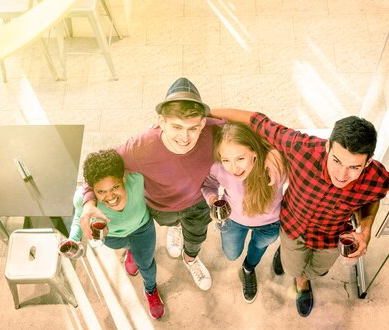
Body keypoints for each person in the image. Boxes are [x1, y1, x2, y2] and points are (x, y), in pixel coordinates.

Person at [79, 78, 283, 292]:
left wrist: (270, 149)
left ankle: (191, 259)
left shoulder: (213, 131)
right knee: (170, 223)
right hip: (161, 206)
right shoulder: (140, 146)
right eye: (176, 126)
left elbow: (257, 124)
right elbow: (99, 169)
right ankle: (174, 229)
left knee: (196, 238)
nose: (185, 137)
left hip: (198, 204)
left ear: (203, 123)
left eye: (193, 127)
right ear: (161, 121)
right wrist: (87, 202)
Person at [210, 108, 389, 317]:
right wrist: (205, 111)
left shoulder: (377, 177)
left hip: (330, 236)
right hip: (293, 226)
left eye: (354, 167)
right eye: (336, 160)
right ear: (327, 146)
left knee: (319, 271)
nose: (342, 175)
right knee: (293, 269)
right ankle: (300, 281)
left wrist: (366, 230)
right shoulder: (302, 148)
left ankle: (305, 277)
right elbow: (257, 121)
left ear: (368, 162)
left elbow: (373, 198)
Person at [66, 149, 165, 319]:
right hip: (113, 238)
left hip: (142, 229)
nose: (110, 196)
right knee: (128, 247)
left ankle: (150, 289)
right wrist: (73, 239)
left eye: (115, 187)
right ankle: (131, 252)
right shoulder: (84, 199)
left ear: (124, 178)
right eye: (101, 192)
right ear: (93, 190)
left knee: (146, 264)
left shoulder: (137, 179)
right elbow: (78, 218)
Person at [201, 122, 286, 303]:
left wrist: (274, 152)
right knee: (231, 254)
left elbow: (290, 142)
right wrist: (212, 200)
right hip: (234, 221)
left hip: (269, 225)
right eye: (226, 160)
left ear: (254, 152)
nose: (234, 168)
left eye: (240, 158)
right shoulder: (218, 169)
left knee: (258, 249)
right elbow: (208, 185)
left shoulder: (275, 167)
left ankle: (249, 268)